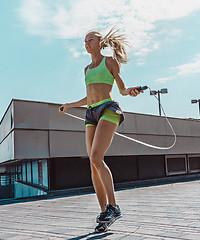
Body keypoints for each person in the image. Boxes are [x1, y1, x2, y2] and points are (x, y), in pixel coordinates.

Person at [59, 27, 142, 233]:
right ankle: (105, 212)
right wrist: (69, 105)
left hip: (108, 109)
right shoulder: (86, 70)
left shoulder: (110, 62)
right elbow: (89, 97)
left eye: (90, 40)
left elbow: (121, 90)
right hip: (90, 113)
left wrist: (130, 92)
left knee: (96, 157)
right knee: (92, 163)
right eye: (84, 41)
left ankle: (114, 207)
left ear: (100, 42)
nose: (86, 43)